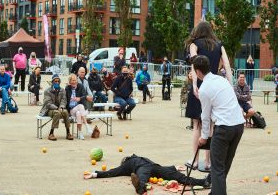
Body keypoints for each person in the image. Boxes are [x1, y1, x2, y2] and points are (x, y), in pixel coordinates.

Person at [193, 55, 245, 195]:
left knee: (217, 168)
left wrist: (203, 136)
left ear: (197, 72)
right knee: (224, 165)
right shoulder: (222, 80)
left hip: (224, 128)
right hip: (239, 126)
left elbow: (205, 116)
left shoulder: (204, 88)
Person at [184, 21, 232, 169]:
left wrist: (194, 85)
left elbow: (195, 64)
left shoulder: (194, 44)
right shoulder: (219, 45)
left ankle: (195, 161)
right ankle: (208, 162)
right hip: (214, 85)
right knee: (210, 125)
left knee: (197, 125)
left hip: (199, 85)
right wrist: (230, 86)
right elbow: (227, 66)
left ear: (197, 31)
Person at [84, 154, 211, 195]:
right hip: (142, 168)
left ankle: (203, 182)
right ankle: (140, 187)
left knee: (176, 175)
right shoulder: (128, 164)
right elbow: (112, 172)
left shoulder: (134, 159)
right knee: (142, 176)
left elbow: (159, 167)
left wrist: (173, 167)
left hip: (154, 167)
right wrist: (96, 174)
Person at [39, 74, 73, 141]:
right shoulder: (47, 91)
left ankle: (68, 133)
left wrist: (61, 107)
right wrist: (57, 108)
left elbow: (64, 100)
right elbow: (48, 103)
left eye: (58, 81)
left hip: (60, 108)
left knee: (65, 112)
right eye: (55, 81)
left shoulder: (62, 90)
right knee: (57, 113)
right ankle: (51, 133)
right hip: (49, 109)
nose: (57, 83)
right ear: (52, 82)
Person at [65, 74, 91, 140]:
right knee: (80, 106)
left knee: (79, 113)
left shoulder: (80, 86)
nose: (74, 82)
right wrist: (70, 100)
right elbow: (65, 99)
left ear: (77, 80)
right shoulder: (67, 88)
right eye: (72, 80)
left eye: (75, 80)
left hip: (79, 109)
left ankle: (80, 133)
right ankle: (87, 125)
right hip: (71, 109)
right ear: (70, 81)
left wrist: (79, 98)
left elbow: (85, 95)